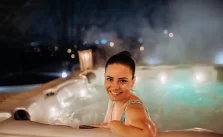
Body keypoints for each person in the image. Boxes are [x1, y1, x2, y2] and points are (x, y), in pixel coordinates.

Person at [92, 51, 157, 137]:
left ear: (132, 82)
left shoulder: (133, 108)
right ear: (104, 78)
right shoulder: (113, 99)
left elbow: (149, 133)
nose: (115, 87)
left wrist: (112, 124)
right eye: (110, 79)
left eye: (123, 81)